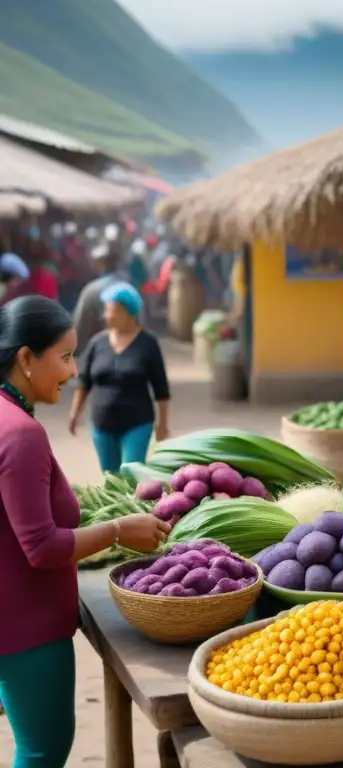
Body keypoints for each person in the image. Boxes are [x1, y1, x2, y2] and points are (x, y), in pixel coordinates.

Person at [0, 295, 170, 767]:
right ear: (26, 358)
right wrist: (118, 529)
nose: (76, 371)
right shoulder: (19, 433)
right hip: (26, 630)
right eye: (66, 356)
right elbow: (40, 547)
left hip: (10, 622)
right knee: (42, 750)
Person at [69, 282, 171, 473]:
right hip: (102, 424)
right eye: (106, 310)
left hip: (137, 423)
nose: (107, 316)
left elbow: (161, 388)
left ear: (129, 313)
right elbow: (84, 382)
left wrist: (163, 424)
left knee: (131, 474)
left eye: (113, 311)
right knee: (111, 478)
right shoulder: (97, 343)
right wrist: (75, 413)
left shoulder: (148, 344)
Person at [71, 243, 128, 355]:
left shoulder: (92, 290)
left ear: (100, 264)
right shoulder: (128, 287)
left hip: (101, 355)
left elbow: (81, 327)